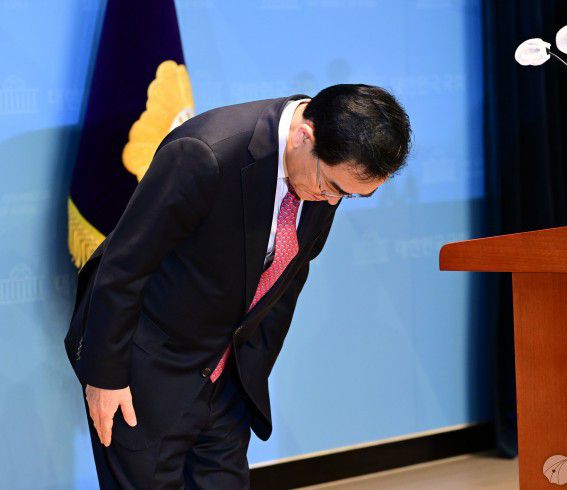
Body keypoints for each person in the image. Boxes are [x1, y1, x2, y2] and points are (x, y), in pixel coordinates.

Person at [64, 83, 412, 488]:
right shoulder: (205, 152)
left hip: (226, 382)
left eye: (349, 196)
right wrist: (105, 377)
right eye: (333, 188)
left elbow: (288, 277)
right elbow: (124, 266)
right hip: (145, 372)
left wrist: (248, 373)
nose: (332, 202)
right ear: (305, 136)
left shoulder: (325, 175)